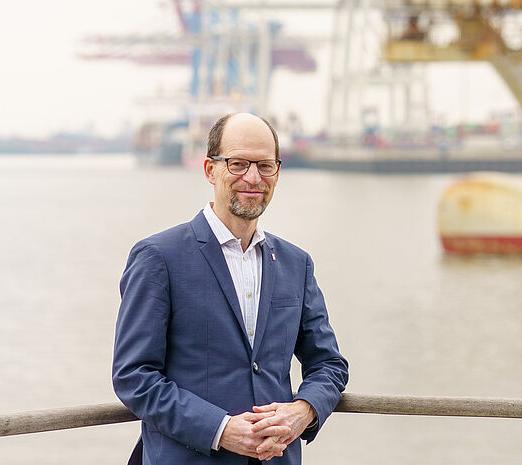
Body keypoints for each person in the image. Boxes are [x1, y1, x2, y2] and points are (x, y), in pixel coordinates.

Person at [112, 113, 349, 465]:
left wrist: (303, 411)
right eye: (238, 163)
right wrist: (220, 429)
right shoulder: (158, 257)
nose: (253, 178)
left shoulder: (296, 264)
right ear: (210, 169)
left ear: (277, 172)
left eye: (265, 166)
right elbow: (133, 376)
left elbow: (329, 364)